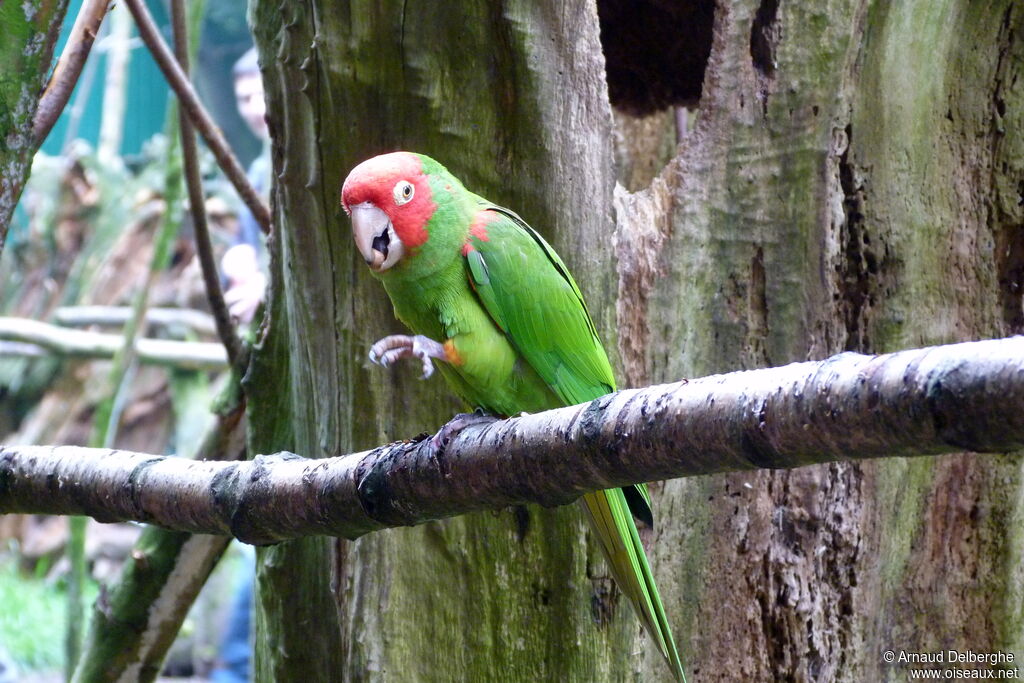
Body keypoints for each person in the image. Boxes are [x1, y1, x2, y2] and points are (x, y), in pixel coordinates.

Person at [221, 47, 269, 325]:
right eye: (244, 99)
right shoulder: (259, 170)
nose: (254, 109)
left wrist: (267, 285)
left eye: (262, 96)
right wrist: (235, 259)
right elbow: (245, 241)